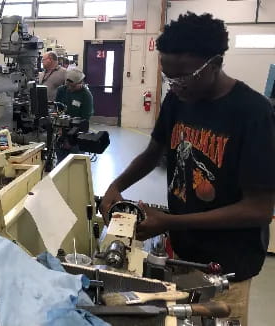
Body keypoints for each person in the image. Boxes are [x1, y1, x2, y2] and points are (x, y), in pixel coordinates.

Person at [101, 13, 275, 325]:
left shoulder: (253, 114)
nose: (174, 86)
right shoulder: (179, 100)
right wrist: (116, 186)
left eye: (182, 77)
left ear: (215, 63)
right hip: (183, 253)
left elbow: (259, 209)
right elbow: (153, 153)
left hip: (226, 267)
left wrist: (170, 221)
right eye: (168, 77)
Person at [54, 67, 94, 162]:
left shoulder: (86, 95)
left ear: (81, 83)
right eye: (68, 85)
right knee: (61, 163)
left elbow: (85, 118)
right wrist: (60, 130)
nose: (70, 88)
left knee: (76, 162)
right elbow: (57, 109)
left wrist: (71, 140)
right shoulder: (61, 90)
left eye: (73, 86)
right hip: (61, 131)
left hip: (77, 133)